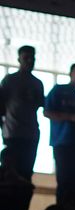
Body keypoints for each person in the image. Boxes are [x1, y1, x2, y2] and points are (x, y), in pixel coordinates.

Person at [44, 62, 75, 207]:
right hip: (63, 143)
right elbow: (47, 112)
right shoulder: (58, 91)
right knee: (64, 181)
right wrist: (71, 117)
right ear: (70, 73)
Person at [0, 45, 45, 188]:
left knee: (26, 174)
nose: (30, 61)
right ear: (19, 59)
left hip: (30, 135)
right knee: (10, 174)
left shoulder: (37, 83)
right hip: (13, 134)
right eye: (26, 58)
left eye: (32, 58)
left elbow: (41, 105)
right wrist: (3, 130)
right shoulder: (9, 80)